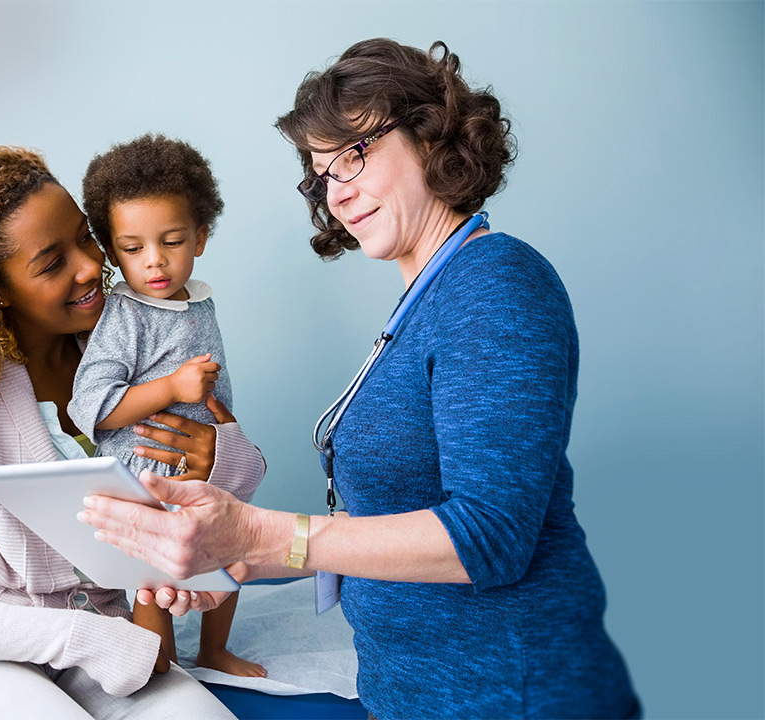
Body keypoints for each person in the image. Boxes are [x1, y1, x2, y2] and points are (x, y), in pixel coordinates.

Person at [79, 39, 641, 719]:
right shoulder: (428, 299)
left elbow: (490, 535)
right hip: (415, 695)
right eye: (321, 173)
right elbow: (384, 522)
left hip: (509, 694)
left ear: (432, 136)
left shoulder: (495, 286)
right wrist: (229, 558)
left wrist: (260, 532)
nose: (337, 190)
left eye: (356, 153)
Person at [0, 145, 265, 719]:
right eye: (52, 263)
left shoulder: (125, 341)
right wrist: (92, 640)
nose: (88, 267)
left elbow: (232, 470)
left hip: (107, 641)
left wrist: (216, 456)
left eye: (87, 238)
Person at [68, 134, 265, 679]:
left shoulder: (199, 299)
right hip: (148, 476)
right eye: (132, 249)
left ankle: (214, 651)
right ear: (111, 251)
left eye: (172, 241)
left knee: (226, 557)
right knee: (154, 581)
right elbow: (92, 406)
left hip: (207, 468)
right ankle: (163, 666)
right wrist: (173, 388)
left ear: (200, 237)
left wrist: (230, 443)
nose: (154, 261)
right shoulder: (124, 315)